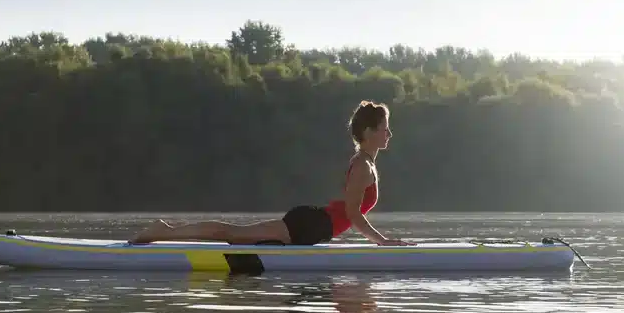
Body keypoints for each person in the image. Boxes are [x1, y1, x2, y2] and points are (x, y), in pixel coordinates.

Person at [129, 100, 414, 246]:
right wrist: (383, 242)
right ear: (368, 132)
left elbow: (351, 214)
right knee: (233, 235)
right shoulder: (363, 166)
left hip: (315, 227)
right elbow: (353, 214)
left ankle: (166, 231)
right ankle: (163, 231)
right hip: (310, 225)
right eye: (385, 127)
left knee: (235, 236)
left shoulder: (367, 163)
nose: (390, 133)